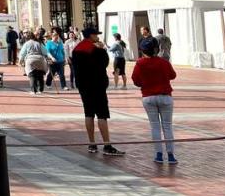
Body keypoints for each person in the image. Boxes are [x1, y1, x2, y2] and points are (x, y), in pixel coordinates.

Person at [71, 27, 124, 156]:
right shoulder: (96, 49)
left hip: (83, 86)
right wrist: (102, 50)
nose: (98, 37)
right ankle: (107, 144)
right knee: (102, 115)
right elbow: (104, 63)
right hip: (97, 85)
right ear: (91, 36)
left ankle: (92, 143)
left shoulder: (76, 49)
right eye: (96, 35)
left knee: (88, 113)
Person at [131, 36, 178, 165]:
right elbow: (173, 75)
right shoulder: (163, 62)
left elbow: (135, 80)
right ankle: (171, 155)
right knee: (167, 126)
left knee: (155, 126)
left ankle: (158, 154)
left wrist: (143, 83)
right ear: (156, 49)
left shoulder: (140, 63)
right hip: (165, 96)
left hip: (148, 96)